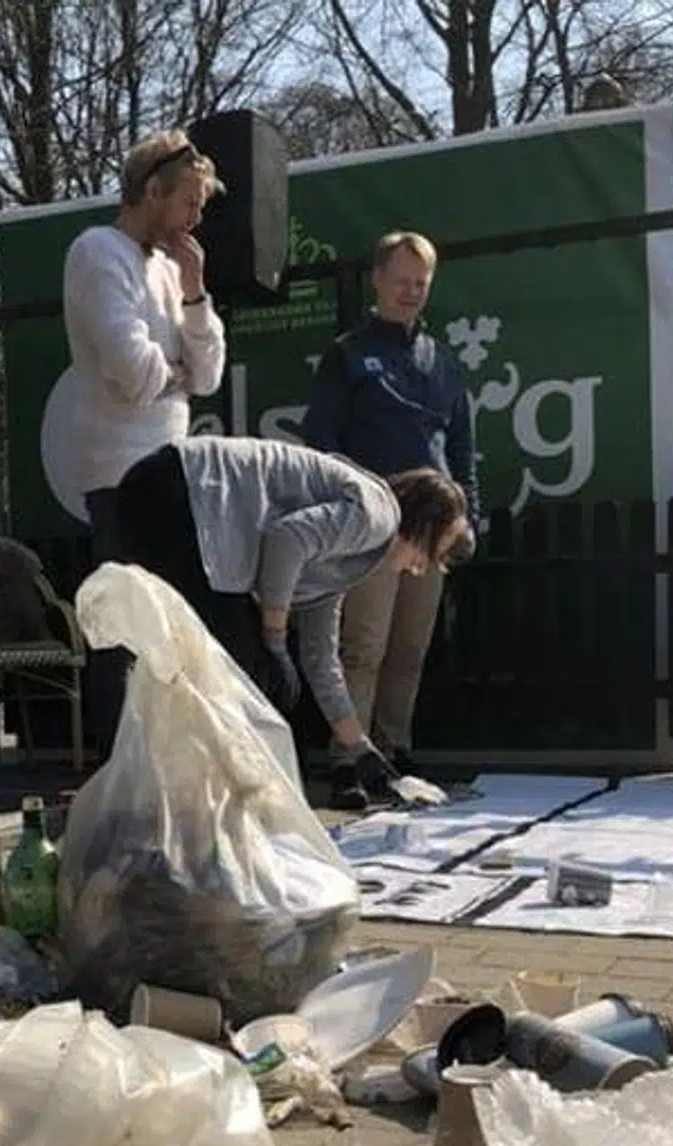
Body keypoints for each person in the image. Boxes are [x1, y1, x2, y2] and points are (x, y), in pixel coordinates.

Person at [110, 436, 472, 802]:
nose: (423, 568)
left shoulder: (350, 558)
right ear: (423, 525)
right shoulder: (378, 517)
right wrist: (275, 635)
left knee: (220, 667)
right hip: (182, 493)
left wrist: (360, 748)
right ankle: (207, 802)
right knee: (237, 667)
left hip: (169, 495)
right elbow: (287, 539)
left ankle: (187, 797)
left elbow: (321, 659)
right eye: (435, 552)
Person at [43, 129, 228, 761]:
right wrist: (173, 375)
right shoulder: (98, 251)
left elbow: (207, 374)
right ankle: (118, 770)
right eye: (188, 204)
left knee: (170, 626)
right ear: (152, 191)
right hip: (118, 475)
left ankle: (163, 764)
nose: (195, 219)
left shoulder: (168, 266)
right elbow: (135, 373)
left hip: (170, 469)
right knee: (121, 628)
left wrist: (196, 290)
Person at [302, 231, 478, 808]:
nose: (410, 292)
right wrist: (354, 508)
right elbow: (320, 444)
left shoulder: (443, 364)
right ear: (377, 279)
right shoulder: (346, 355)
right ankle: (349, 757)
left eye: (421, 284)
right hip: (372, 526)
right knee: (364, 646)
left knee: (410, 647)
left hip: (431, 531)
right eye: (401, 281)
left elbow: (461, 446)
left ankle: (392, 751)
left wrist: (464, 519)